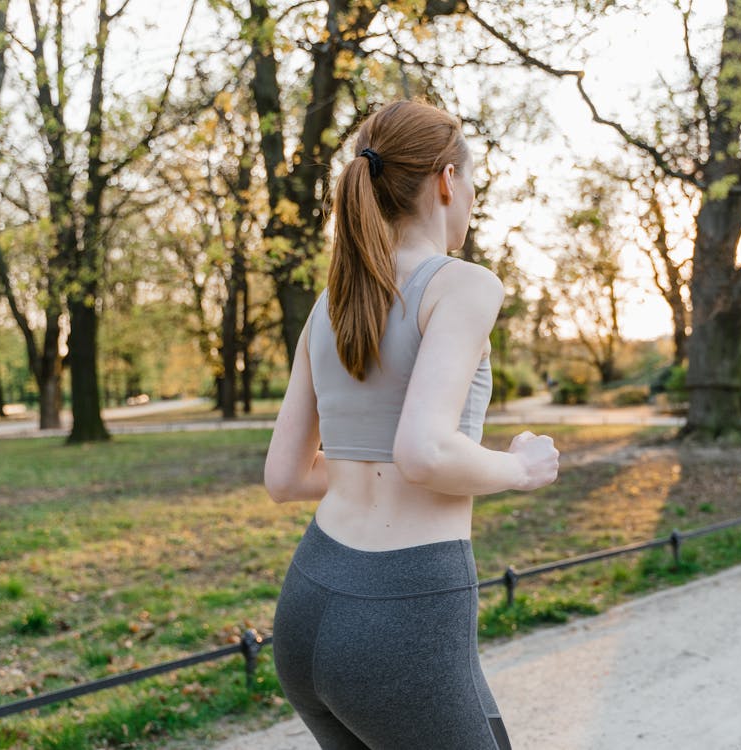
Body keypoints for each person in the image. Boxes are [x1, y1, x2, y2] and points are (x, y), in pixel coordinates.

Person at [263, 100, 560, 750]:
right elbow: (424, 452)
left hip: (307, 605)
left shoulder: (329, 303)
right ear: (446, 180)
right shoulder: (463, 285)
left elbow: (284, 477)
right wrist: (520, 467)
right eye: (472, 182)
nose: (472, 199)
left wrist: (362, 467)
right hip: (401, 613)